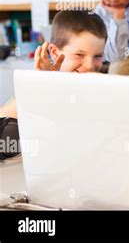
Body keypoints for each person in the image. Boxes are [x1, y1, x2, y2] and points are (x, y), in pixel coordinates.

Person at [0, 11, 107, 158]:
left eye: (98, 56)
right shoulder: (39, 89)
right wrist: (40, 87)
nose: (89, 66)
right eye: (79, 55)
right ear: (55, 53)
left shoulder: (104, 88)